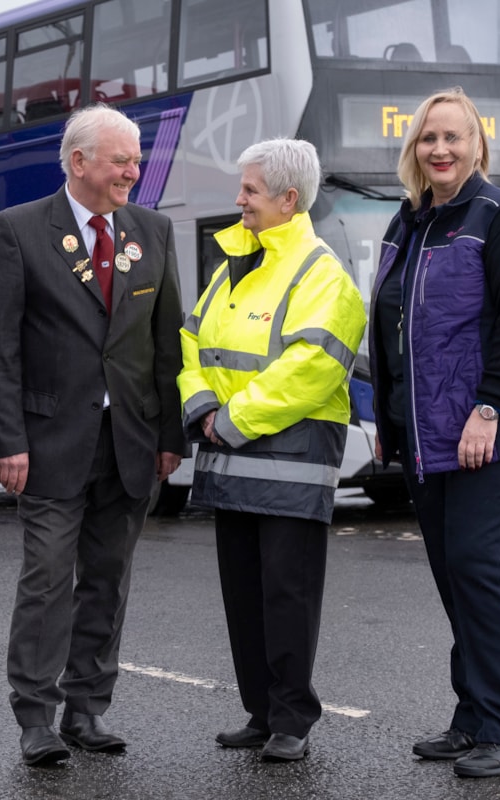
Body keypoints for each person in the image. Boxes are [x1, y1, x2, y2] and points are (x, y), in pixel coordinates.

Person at [0, 104, 187, 767]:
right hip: (46, 443)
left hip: (128, 441)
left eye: (136, 158)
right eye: (122, 159)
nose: (135, 169)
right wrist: (6, 439)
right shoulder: (19, 230)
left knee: (107, 579)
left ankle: (87, 709)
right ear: (79, 163)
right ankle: (35, 717)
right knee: (45, 579)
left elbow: (164, 343)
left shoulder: (152, 230)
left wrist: (169, 435)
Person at [368, 87, 500, 778]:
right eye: (427, 139)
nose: (439, 149)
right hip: (428, 435)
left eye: (453, 137)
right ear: (413, 150)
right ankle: (474, 717)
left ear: (477, 145)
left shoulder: (498, 216)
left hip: (488, 432)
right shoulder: (408, 223)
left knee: (481, 569)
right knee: (457, 579)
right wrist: (390, 422)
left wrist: (491, 407)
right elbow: (396, 334)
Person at [177, 137, 366, 762]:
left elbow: (309, 369)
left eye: (250, 190)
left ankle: (292, 721)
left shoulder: (322, 274)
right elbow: (192, 343)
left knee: (288, 595)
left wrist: (229, 418)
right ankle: (261, 712)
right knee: (245, 596)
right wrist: (201, 404)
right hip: (230, 457)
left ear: (289, 199)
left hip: (288, 461)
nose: (239, 200)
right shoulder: (234, 265)